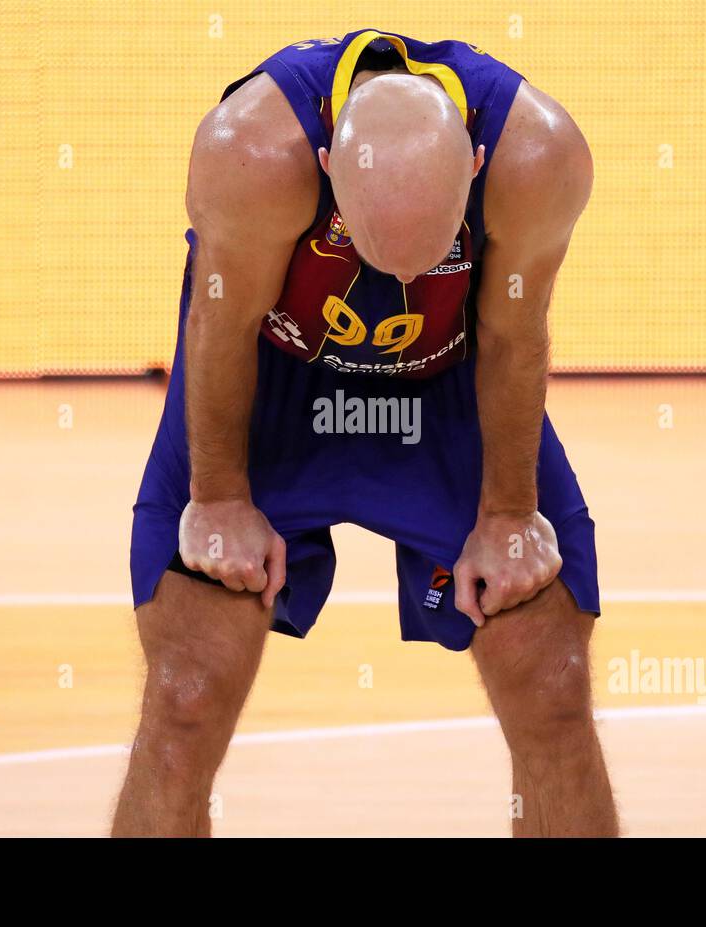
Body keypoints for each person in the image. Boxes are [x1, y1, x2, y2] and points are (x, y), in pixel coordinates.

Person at [114, 29, 617, 837]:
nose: (405, 283)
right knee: (186, 692)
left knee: (552, 680)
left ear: (477, 168)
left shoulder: (539, 157)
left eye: (426, 258)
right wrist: (217, 499)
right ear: (324, 172)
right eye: (382, 254)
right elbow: (219, 321)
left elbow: (513, 337)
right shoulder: (250, 149)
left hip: (450, 383)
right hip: (270, 377)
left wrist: (510, 516)